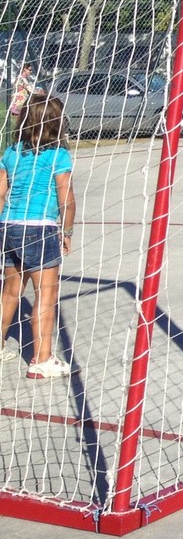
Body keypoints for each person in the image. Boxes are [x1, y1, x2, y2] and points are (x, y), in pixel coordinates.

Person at [0, 95, 77, 378]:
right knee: (45, 295)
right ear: (56, 122)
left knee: (10, 291)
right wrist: (66, 231)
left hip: (8, 225)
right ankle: (42, 360)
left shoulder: (11, 152)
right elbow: (66, 198)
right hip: (38, 228)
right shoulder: (58, 155)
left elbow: (0, 194)